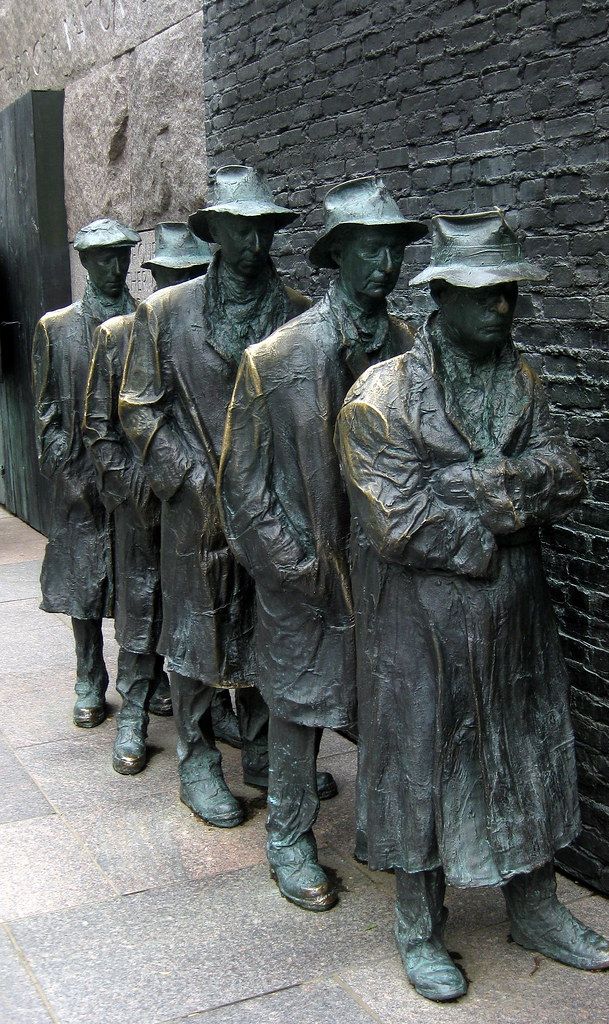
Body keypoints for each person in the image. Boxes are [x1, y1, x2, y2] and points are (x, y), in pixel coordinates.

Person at [335, 210, 609, 1002]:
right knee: (423, 765)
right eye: (485, 294)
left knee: (527, 753)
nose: (503, 308)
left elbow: (568, 472)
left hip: (516, 614)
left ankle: (535, 907)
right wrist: (504, 515)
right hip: (421, 620)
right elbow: (400, 523)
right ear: (442, 300)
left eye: (510, 294)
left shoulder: (524, 379)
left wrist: (478, 487)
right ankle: (418, 927)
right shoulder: (379, 399)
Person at [218, 177, 426, 909]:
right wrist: (295, 567)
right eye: (371, 249)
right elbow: (241, 487)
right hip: (305, 572)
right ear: (338, 256)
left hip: (387, 574)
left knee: (387, 708)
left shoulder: (413, 350)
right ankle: (289, 837)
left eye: (394, 251)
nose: (385, 266)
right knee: (299, 708)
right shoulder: (275, 358)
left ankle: (394, 837)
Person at [118, 167, 313, 827]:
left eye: (262, 230)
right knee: (195, 634)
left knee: (270, 626)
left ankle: (261, 750)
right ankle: (197, 761)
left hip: (273, 504)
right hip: (194, 509)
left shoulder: (296, 312)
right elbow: (139, 408)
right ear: (216, 234)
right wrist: (189, 478)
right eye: (239, 230)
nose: (253, 244)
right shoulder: (165, 312)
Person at [83, 222, 212, 773]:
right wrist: (137, 485)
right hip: (140, 506)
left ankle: (213, 712)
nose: (179, 285)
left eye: (191, 275)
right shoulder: (117, 336)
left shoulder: (205, 336)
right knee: (140, 609)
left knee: (202, 611)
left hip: (195, 506)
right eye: (170, 276)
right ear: (154, 276)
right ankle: (134, 711)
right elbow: (98, 431)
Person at [32, 218, 139, 728]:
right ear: (85, 262)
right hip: (80, 480)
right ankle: (88, 675)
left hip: (134, 478)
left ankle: (143, 678)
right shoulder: (56, 328)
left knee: (139, 579)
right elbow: (47, 409)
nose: (114, 267)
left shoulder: (146, 320)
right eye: (103, 258)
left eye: (121, 256)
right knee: (84, 581)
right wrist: (65, 467)